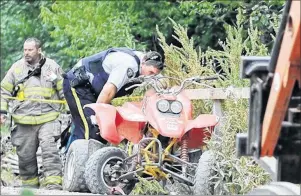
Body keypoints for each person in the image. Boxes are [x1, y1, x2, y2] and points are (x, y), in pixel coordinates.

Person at [62, 47, 165, 148]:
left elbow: (158, 87)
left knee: (101, 132)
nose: (150, 77)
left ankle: (73, 156)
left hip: (94, 89)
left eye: (154, 75)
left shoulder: (144, 63)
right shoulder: (128, 65)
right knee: (91, 130)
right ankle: (80, 162)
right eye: (150, 73)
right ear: (143, 62)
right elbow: (108, 91)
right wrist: (97, 116)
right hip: (78, 85)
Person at [0, 38, 65, 190]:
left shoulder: (52, 66)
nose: (26, 53)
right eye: (25, 50)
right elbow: (4, 91)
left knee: (50, 151)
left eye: (30, 50)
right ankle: (30, 190)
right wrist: (2, 111)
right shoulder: (16, 68)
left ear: (39, 50)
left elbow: (64, 89)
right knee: (25, 158)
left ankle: (54, 188)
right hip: (23, 120)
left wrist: (71, 111)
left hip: (48, 118)